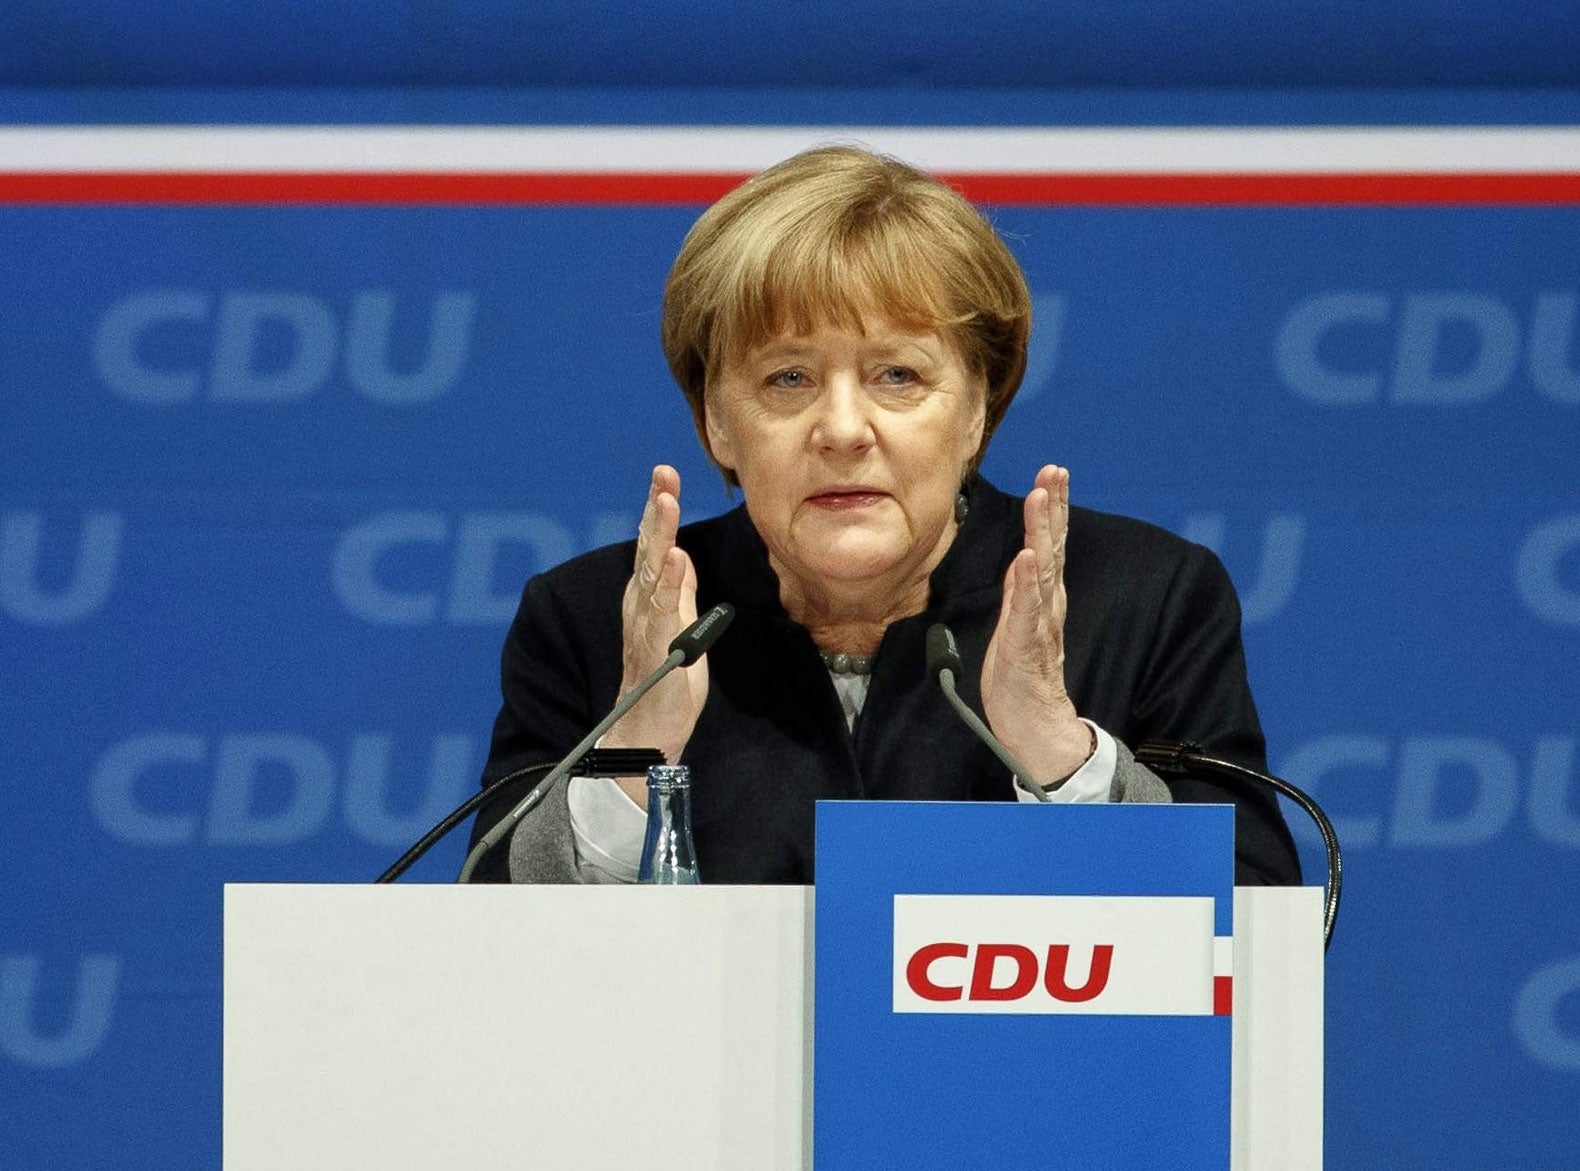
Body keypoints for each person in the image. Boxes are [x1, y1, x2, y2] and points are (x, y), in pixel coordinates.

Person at [468, 145, 1300, 887]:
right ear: (717, 420)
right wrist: (631, 755)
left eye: (897, 375)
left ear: (977, 408)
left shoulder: (1142, 599)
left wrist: (1059, 755)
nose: (841, 430)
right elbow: (486, 964)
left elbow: (1257, 935)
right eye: (787, 378)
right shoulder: (592, 621)